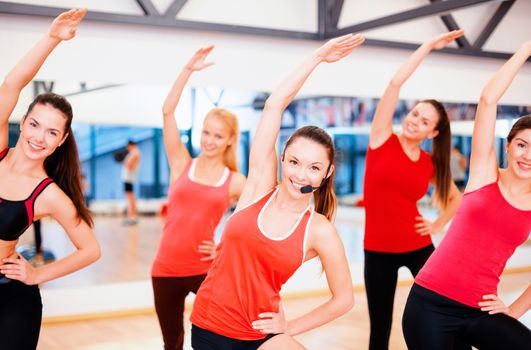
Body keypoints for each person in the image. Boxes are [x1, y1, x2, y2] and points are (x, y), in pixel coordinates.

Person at [190, 33, 365, 350]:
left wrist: (290, 326)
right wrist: (317, 57)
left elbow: (344, 299)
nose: (301, 174)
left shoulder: (319, 230)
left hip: (262, 332)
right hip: (210, 326)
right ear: (282, 158)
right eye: (295, 162)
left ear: (327, 174)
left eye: (314, 167)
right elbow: (274, 105)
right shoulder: (258, 188)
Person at [402, 41, 531, 350]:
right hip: (430, 305)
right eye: (522, 145)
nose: (527, 156)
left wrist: (514, 310)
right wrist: (525, 49)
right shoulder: (484, 171)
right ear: (509, 144)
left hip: (478, 311)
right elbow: (488, 100)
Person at [0, 9, 100, 350]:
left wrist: (38, 275)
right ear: (23, 121)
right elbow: (12, 84)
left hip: (10, 298)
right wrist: (52, 38)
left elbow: (90, 250)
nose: (39, 137)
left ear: (61, 139)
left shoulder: (49, 194)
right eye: (35, 124)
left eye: (52, 132)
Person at [363, 30, 464, 350]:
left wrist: (436, 225)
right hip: (377, 251)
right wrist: (428, 46)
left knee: (444, 305)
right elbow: (394, 84)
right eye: (414, 113)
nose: (414, 121)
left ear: (432, 132)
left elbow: (456, 199)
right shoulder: (381, 139)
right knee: (380, 327)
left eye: (423, 122)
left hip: (417, 244)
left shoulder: (429, 163)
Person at [151, 46, 246, 350]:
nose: (209, 140)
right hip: (164, 268)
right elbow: (167, 111)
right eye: (206, 132)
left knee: (215, 337)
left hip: (204, 269)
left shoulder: (235, 181)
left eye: (218, 136)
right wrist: (187, 70)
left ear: (230, 139)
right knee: (173, 343)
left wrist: (223, 248)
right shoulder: (181, 163)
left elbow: (253, 223)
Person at [122, 139, 141, 225]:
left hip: (129, 178)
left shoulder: (135, 153)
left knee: (130, 198)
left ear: (131, 145)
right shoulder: (134, 153)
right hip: (128, 178)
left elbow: (130, 167)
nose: (127, 148)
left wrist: (124, 161)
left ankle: (132, 217)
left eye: (128, 146)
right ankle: (131, 216)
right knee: (130, 198)